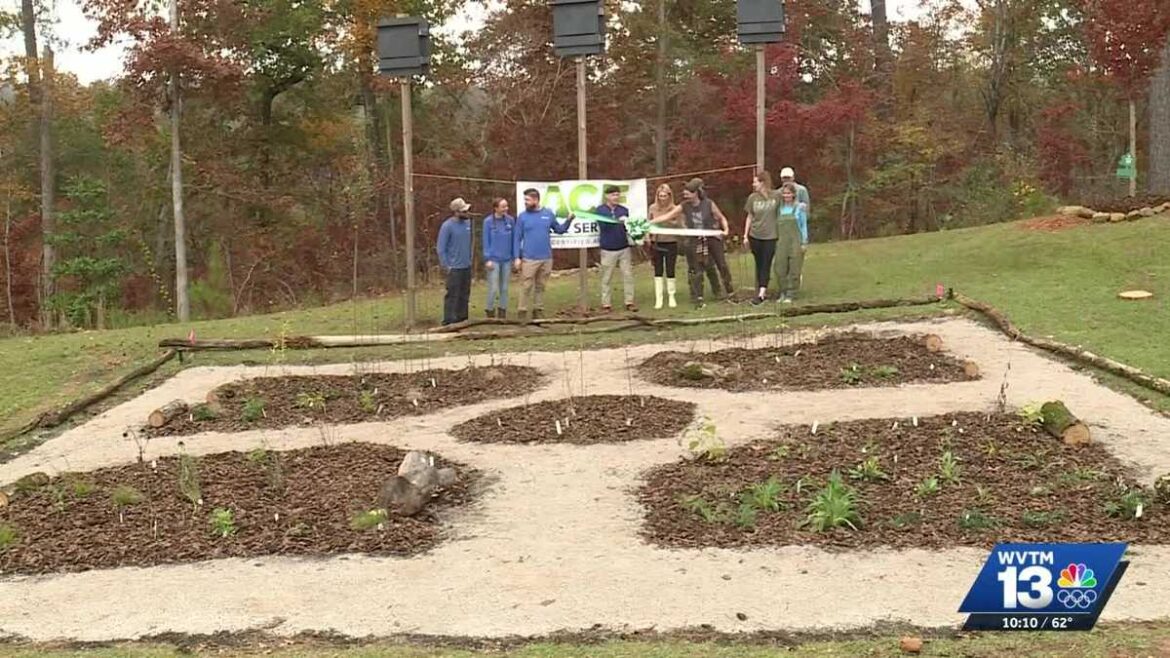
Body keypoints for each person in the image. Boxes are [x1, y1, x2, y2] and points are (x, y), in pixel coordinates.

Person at [652, 178, 723, 309]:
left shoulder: (707, 204)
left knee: (711, 266)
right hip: (691, 241)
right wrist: (650, 223)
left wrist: (722, 229)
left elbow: (718, 217)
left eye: (688, 191)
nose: (685, 194)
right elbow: (667, 218)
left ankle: (719, 291)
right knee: (694, 269)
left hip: (706, 239)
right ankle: (695, 295)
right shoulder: (684, 205)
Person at [512, 188, 574, 321]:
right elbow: (517, 238)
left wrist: (569, 220)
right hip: (529, 258)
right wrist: (517, 257)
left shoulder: (548, 214)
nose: (525, 202)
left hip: (546, 257)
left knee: (541, 286)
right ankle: (522, 311)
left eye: (528, 200)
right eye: (525, 200)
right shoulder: (522, 217)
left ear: (536, 200)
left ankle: (538, 310)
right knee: (526, 285)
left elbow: (559, 230)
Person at [594, 184, 637, 312]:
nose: (616, 197)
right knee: (607, 277)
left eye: (617, 195)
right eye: (613, 195)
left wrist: (629, 225)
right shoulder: (600, 210)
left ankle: (629, 302)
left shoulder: (623, 210)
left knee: (628, 275)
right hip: (608, 248)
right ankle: (606, 304)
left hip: (624, 247)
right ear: (607, 196)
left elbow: (628, 228)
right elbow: (603, 226)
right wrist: (617, 220)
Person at [742, 170, 780, 305]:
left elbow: (789, 197)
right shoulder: (752, 198)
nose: (753, 184)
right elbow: (750, 216)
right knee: (759, 264)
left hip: (771, 236)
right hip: (755, 235)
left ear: (763, 182)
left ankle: (762, 293)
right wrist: (745, 235)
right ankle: (760, 289)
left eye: (755, 182)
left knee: (766, 262)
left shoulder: (776, 196)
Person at [436, 197, 473, 325]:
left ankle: (463, 318)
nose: (467, 213)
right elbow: (441, 248)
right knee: (452, 294)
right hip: (454, 267)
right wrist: (446, 265)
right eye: (464, 211)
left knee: (465, 294)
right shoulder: (447, 226)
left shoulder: (468, 224)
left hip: (466, 265)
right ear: (456, 212)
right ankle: (449, 319)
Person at [773, 181, 809, 304]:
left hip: (795, 241)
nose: (786, 196)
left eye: (789, 193)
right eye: (784, 193)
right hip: (781, 242)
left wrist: (804, 242)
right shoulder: (779, 209)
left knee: (795, 268)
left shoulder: (799, 207)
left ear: (794, 194)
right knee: (780, 268)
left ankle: (791, 293)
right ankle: (782, 292)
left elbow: (803, 225)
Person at [647, 183, 681, 309]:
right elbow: (648, 222)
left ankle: (671, 296)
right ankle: (659, 298)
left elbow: (679, 224)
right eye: (660, 196)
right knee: (658, 270)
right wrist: (648, 237)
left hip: (671, 241)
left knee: (670, 269)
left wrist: (668, 220)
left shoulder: (675, 208)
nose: (662, 198)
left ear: (669, 196)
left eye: (665, 196)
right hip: (657, 241)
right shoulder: (652, 208)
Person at [482, 198, 515, 319]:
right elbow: (486, 241)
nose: (506, 209)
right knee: (493, 288)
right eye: (503, 207)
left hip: (506, 259)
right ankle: (489, 310)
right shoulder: (488, 222)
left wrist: (515, 256)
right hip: (493, 260)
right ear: (496, 208)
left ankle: (502, 311)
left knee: (505, 288)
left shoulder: (510, 221)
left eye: (507, 206)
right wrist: (487, 258)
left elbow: (514, 241)